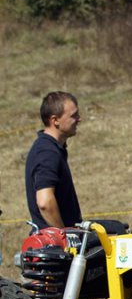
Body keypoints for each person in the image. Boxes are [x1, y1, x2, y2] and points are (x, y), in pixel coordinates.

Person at [25, 91, 83, 229]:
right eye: (73, 115)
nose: (79, 119)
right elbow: (45, 203)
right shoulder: (47, 152)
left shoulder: (52, 148)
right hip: (53, 240)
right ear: (55, 120)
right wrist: (65, 236)